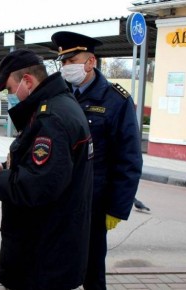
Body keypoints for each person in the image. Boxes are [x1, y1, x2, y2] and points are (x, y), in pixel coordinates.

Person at [0, 48, 94, 290]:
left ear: (27, 81)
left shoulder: (51, 118)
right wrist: (4, 167)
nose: (10, 95)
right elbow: (45, 167)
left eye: (10, 88)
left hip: (42, 256)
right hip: (50, 247)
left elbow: (37, 186)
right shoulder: (56, 105)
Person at [51, 31, 143, 290]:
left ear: (90, 62)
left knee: (92, 271)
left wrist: (117, 208)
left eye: (71, 61)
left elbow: (129, 160)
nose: (65, 67)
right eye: (63, 62)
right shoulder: (59, 96)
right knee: (58, 265)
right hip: (61, 199)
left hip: (94, 201)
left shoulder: (116, 101)